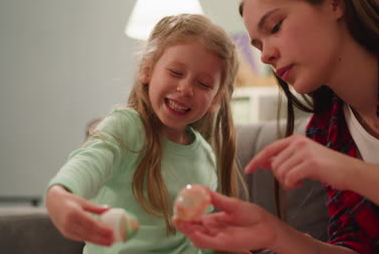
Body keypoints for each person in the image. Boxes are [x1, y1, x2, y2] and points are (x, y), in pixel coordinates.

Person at [175, 0, 379, 253]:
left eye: (275, 27)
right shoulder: (328, 128)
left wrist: (349, 171)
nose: (265, 55)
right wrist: (275, 233)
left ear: (334, 1)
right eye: (258, 46)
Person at [45, 14, 245, 254]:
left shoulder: (205, 157)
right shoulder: (126, 127)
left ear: (216, 100)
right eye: (175, 72)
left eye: (203, 84)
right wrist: (60, 194)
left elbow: (199, 240)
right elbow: (86, 164)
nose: (185, 89)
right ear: (147, 70)